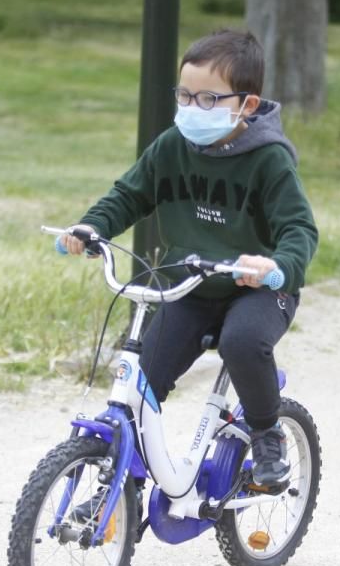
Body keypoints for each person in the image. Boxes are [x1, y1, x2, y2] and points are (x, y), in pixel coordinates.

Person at [61, 29, 319, 487]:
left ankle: (266, 433)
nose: (191, 108)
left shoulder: (270, 160)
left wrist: (277, 267)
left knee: (242, 342)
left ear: (247, 105)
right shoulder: (171, 146)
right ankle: (119, 484)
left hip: (256, 288)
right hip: (191, 283)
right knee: (145, 378)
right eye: (184, 95)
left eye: (208, 99)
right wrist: (91, 226)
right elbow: (128, 195)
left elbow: (298, 229)